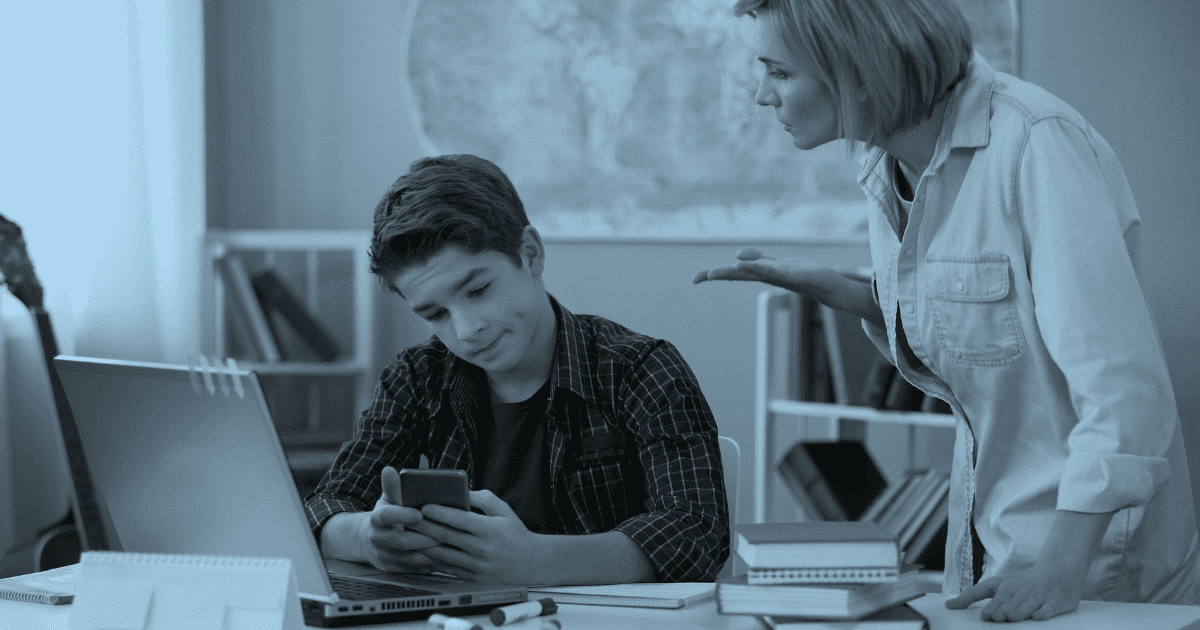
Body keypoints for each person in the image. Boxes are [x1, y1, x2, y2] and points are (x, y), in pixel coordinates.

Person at [694, 0, 1199, 622]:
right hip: (994, 553)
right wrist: (846, 293)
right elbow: (978, 326)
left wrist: (1062, 568)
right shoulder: (885, 160)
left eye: (779, 72)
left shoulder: (1035, 145)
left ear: (856, 67)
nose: (759, 94)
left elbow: (1125, 393)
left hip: (1092, 570)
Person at [305, 154, 729, 586]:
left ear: (530, 253)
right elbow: (324, 507)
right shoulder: (416, 379)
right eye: (435, 314)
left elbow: (697, 533)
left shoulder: (641, 369)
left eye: (478, 290)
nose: (467, 330)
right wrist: (364, 536)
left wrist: (537, 562)